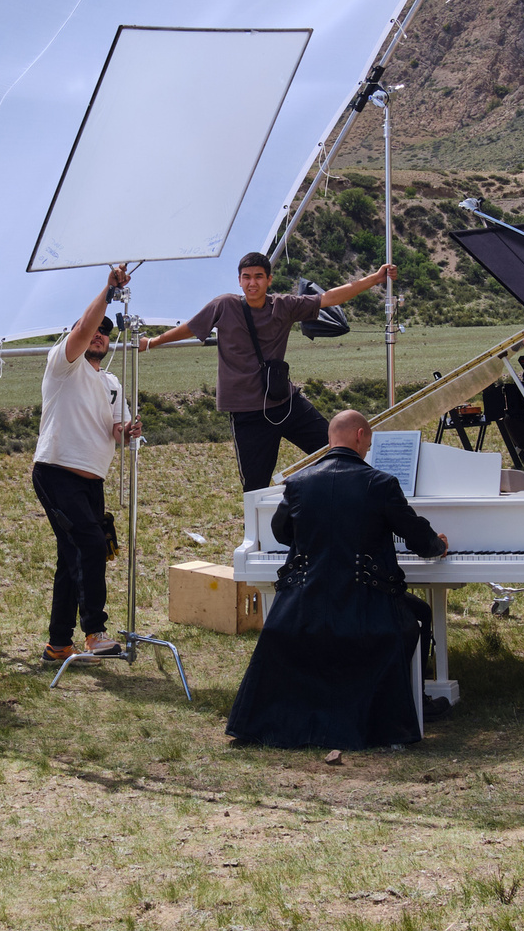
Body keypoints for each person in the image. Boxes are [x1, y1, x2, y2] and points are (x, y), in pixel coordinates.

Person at [226, 410, 448, 753]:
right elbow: (421, 541)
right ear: (360, 435)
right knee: (417, 615)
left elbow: (282, 532)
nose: (369, 447)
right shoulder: (382, 484)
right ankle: (410, 704)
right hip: (366, 606)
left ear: (332, 438)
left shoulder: (298, 483)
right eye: (369, 440)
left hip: (306, 605)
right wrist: (439, 545)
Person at [141, 251, 397, 491]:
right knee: (255, 485)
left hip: (285, 403)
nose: (253, 283)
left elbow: (330, 297)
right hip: (247, 413)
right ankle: (258, 534)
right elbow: (190, 327)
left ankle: (354, 500)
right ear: (239, 281)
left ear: (269, 279)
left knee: (334, 449)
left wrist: (375, 278)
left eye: (259, 277)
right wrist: (153, 342)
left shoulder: (283, 306)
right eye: (247, 277)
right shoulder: (224, 305)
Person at [34, 265, 145, 664]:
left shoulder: (112, 383)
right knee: (91, 545)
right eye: (96, 329)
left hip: (92, 481)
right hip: (56, 471)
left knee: (72, 557)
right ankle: (95, 632)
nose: (99, 335)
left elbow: (115, 431)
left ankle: (57, 643)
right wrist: (109, 290)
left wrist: (126, 432)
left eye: (106, 333)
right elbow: (83, 328)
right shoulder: (64, 364)